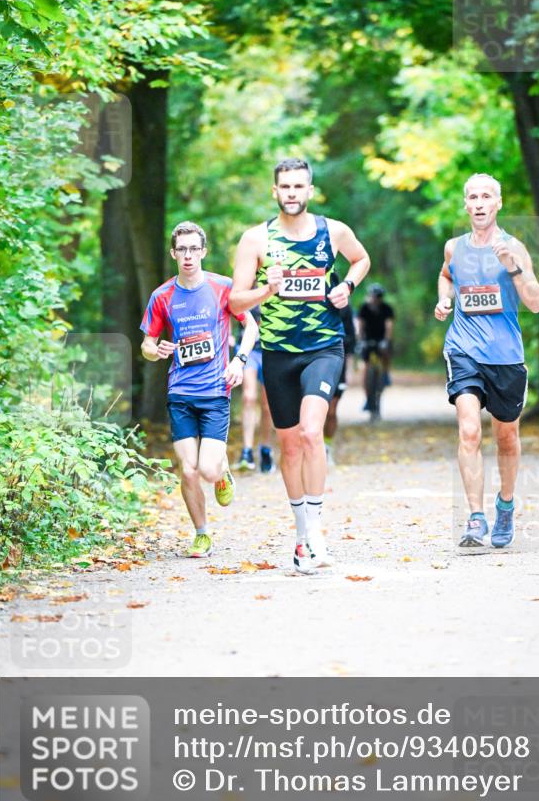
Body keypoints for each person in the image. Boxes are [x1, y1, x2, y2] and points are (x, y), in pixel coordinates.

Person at [230, 157, 370, 573]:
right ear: (275, 192)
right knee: (289, 445)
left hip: (324, 346)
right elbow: (235, 300)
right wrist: (265, 290)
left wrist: (347, 285)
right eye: (285, 187)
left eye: (298, 186)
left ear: (310, 191)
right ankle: (301, 533)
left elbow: (361, 259)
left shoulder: (333, 231)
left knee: (311, 433)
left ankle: (316, 531)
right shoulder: (255, 239)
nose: (292, 193)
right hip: (277, 353)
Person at [434, 174, 539, 549]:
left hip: (505, 356)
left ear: (498, 203)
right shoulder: (454, 248)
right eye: (472, 197)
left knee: (507, 438)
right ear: (466, 205)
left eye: (486, 196)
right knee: (469, 430)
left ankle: (506, 506)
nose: (479, 203)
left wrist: (512, 266)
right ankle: (475, 517)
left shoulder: (514, 248)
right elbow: (446, 276)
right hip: (463, 349)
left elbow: (536, 303)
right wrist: (445, 299)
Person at [140, 221, 258, 559]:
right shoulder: (162, 296)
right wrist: (156, 350)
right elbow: (146, 345)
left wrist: (239, 361)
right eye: (182, 249)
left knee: (207, 469)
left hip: (215, 392)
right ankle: (202, 534)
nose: (188, 255)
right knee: (189, 469)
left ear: (203, 251)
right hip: (180, 393)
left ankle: (221, 472)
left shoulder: (223, 288)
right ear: (173, 253)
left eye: (194, 249)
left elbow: (251, 328)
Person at [234, 305, 276, 474]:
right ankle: (247, 451)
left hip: (271, 350)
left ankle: (265, 449)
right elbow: (228, 305)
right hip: (248, 350)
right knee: (249, 397)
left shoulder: (277, 290)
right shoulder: (243, 290)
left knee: (268, 405)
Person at [323, 274, 356, 465]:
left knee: (331, 410)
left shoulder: (346, 308)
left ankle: (327, 446)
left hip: (339, 363)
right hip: (318, 360)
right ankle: (315, 446)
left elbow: (352, 339)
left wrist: (349, 368)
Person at [358, 283, 394, 417]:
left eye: (378, 296)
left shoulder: (387, 309)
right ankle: (368, 398)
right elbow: (360, 325)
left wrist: (386, 340)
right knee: (365, 368)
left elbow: (389, 326)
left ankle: (386, 373)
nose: (375, 299)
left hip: (381, 340)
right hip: (367, 340)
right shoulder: (364, 308)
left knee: (386, 354)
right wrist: (360, 340)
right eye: (373, 296)